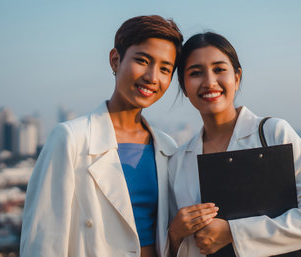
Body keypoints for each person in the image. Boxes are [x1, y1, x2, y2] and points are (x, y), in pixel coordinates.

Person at [20, 15, 215, 257]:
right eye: (143, 60)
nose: (152, 77)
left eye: (165, 69)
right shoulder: (70, 138)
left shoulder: (167, 147)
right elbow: (43, 242)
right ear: (115, 60)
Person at [168, 32, 301, 257]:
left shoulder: (273, 133)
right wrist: (175, 234)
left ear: (237, 78)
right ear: (184, 85)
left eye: (219, 69)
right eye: (196, 73)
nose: (209, 82)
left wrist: (233, 233)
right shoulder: (178, 161)